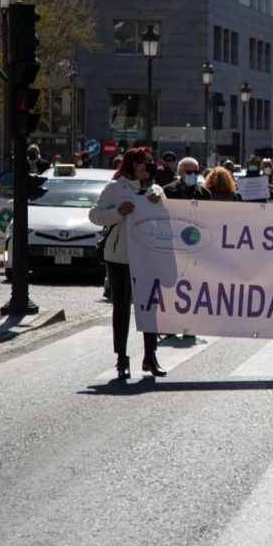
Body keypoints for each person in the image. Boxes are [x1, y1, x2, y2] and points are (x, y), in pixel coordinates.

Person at [89, 147, 167, 379]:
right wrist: (118, 212)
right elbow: (94, 215)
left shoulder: (157, 190)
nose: (147, 166)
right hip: (120, 257)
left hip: (147, 257)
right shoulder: (115, 188)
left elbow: (165, 222)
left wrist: (158, 204)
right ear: (132, 164)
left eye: (150, 163)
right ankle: (121, 358)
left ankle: (150, 356)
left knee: (149, 307)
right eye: (143, 162)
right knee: (121, 308)